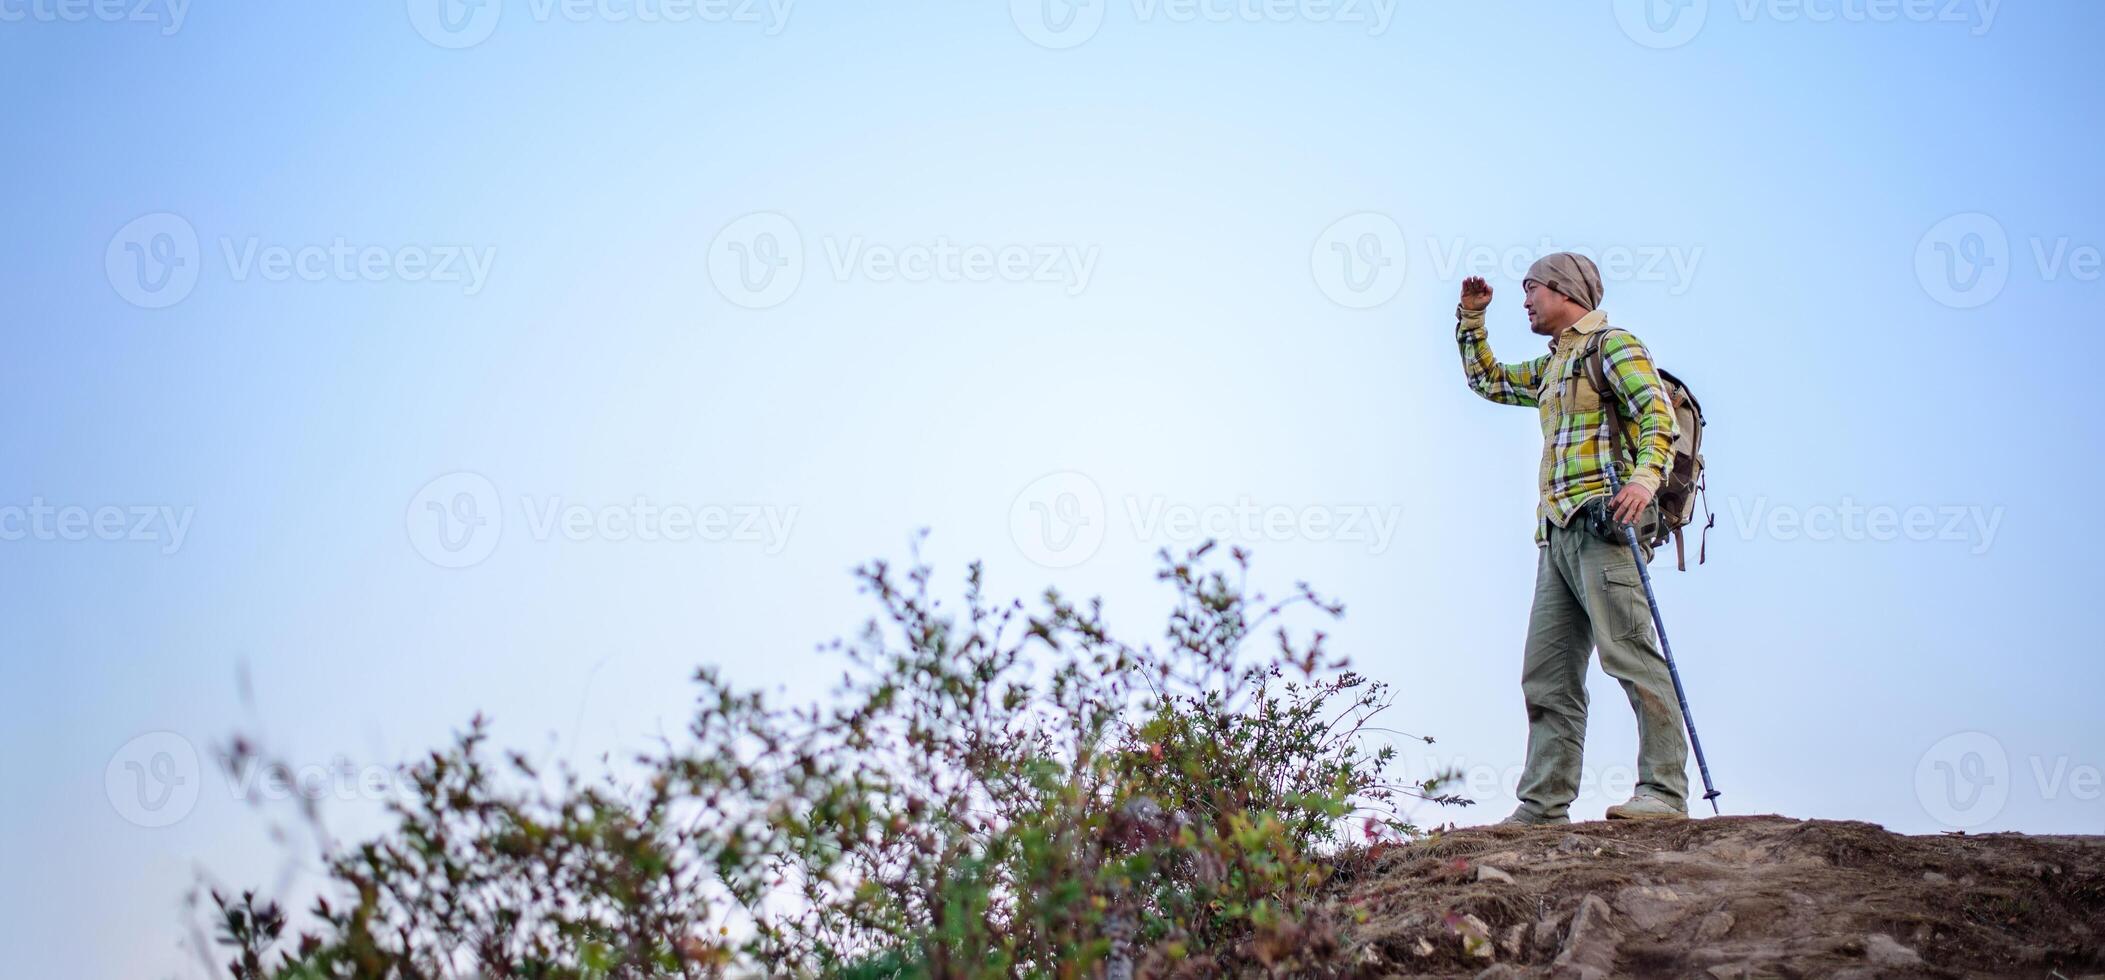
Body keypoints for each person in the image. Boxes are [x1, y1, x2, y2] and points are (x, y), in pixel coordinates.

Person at [1454, 252, 1690, 823]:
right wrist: (1471, 319)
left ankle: (1664, 791)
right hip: (1556, 533)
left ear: (1565, 291)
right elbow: (1489, 381)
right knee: (1547, 674)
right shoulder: (1555, 363)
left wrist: (1641, 479)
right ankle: (1542, 806)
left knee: (1630, 653)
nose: (1526, 300)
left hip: (1606, 524)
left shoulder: (1613, 345)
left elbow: (1658, 416)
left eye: (1532, 288)